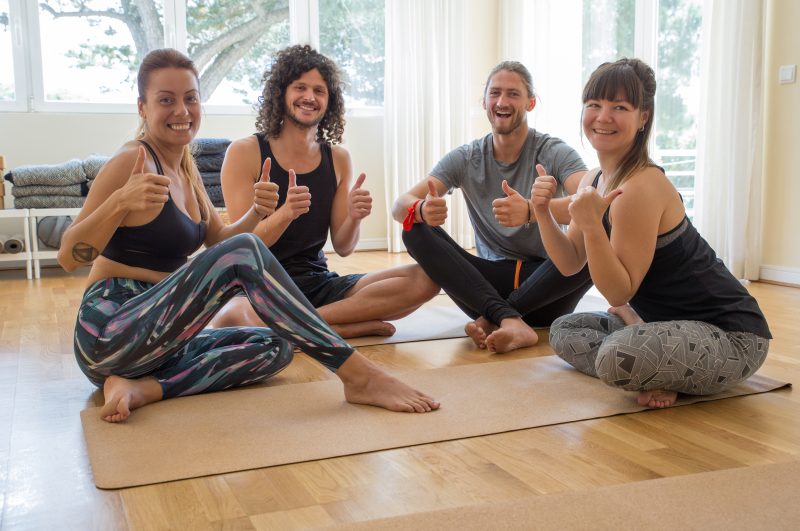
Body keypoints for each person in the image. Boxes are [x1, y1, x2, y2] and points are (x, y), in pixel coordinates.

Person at [58, 49, 439, 423]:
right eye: (166, 100)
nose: (182, 111)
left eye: (191, 99)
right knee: (245, 253)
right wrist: (119, 202)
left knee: (275, 347)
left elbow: (220, 242)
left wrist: (258, 212)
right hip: (109, 330)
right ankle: (359, 376)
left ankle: (144, 388)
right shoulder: (132, 159)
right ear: (142, 107)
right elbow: (68, 256)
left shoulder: (186, 169)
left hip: (160, 338)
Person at [532, 58, 771, 408]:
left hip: (733, 336)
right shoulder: (593, 179)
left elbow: (617, 290)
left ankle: (662, 367)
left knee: (615, 357)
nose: (603, 116)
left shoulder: (641, 187)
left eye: (620, 107)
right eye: (594, 105)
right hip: (666, 325)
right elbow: (569, 263)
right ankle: (658, 360)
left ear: (643, 117)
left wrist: (591, 225)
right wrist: (541, 212)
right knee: (564, 331)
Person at [209, 45, 439, 338]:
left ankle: (309, 326)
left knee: (426, 279)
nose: (309, 97)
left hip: (316, 283)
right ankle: (338, 327)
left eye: (319, 90)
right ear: (281, 94)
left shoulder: (338, 158)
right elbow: (243, 249)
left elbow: (343, 247)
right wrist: (286, 214)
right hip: (258, 286)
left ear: (330, 101)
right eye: (300, 87)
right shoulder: (244, 152)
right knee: (229, 319)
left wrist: (354, 218)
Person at [392, 61, 590, 354]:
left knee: (601, 229)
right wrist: (422, 209)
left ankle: (499, 319)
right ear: (484, 101)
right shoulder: (467, 156)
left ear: (530, 102)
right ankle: (509, 319)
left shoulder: (554, 152)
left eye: (513, 94)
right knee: (413, 228)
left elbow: (589, 201)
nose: (502, 101)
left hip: (549, 289)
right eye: (495, 93)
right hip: (486, 287)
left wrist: (532, 211)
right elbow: (400, 204)